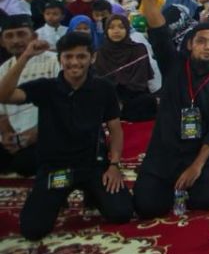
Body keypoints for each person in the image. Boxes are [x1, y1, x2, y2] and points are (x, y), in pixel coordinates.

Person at [0, 33, 134, 240]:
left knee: (121, 213)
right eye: (68, 57)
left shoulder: (103, 88)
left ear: (92, 58)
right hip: (55, 168)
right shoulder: (45, 88)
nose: (74, 62)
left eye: (81, 57)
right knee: (33, 230)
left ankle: (93, 194)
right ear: (59, 59)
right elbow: (4, 95)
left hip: (92, 165)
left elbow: (115, 129)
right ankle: (52, 194)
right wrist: (25, 56)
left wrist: (114, 165)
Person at [132, 0, 209, 218]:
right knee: (147, 206)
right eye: (202, 41)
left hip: (199, 151)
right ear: (190, 44)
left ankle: (191, 180)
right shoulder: (175, 65)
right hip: (164, 151)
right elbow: (158, 31)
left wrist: (196, 167)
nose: (208, 46)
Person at [0, 15, 59, 176]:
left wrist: (31, 136)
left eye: (21, 34)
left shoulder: (54, 61)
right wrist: (7, 135)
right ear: (2, 42)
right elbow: (2, 113)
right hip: (15, 137)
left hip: (45, 134)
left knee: (24, 165)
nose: (15, 40)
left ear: (33, 37)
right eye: (9, 36)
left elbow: (60, 109)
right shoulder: (3, 70)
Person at [93, 14, 159, 121]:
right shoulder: (101, 54)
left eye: (121, 27)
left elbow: (141, 80)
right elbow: (101, 83)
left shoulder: (139, 50)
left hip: (137, 98)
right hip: (111, 101)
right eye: (111, 27)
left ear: (128, 29)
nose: (116, 31)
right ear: (106, 31)